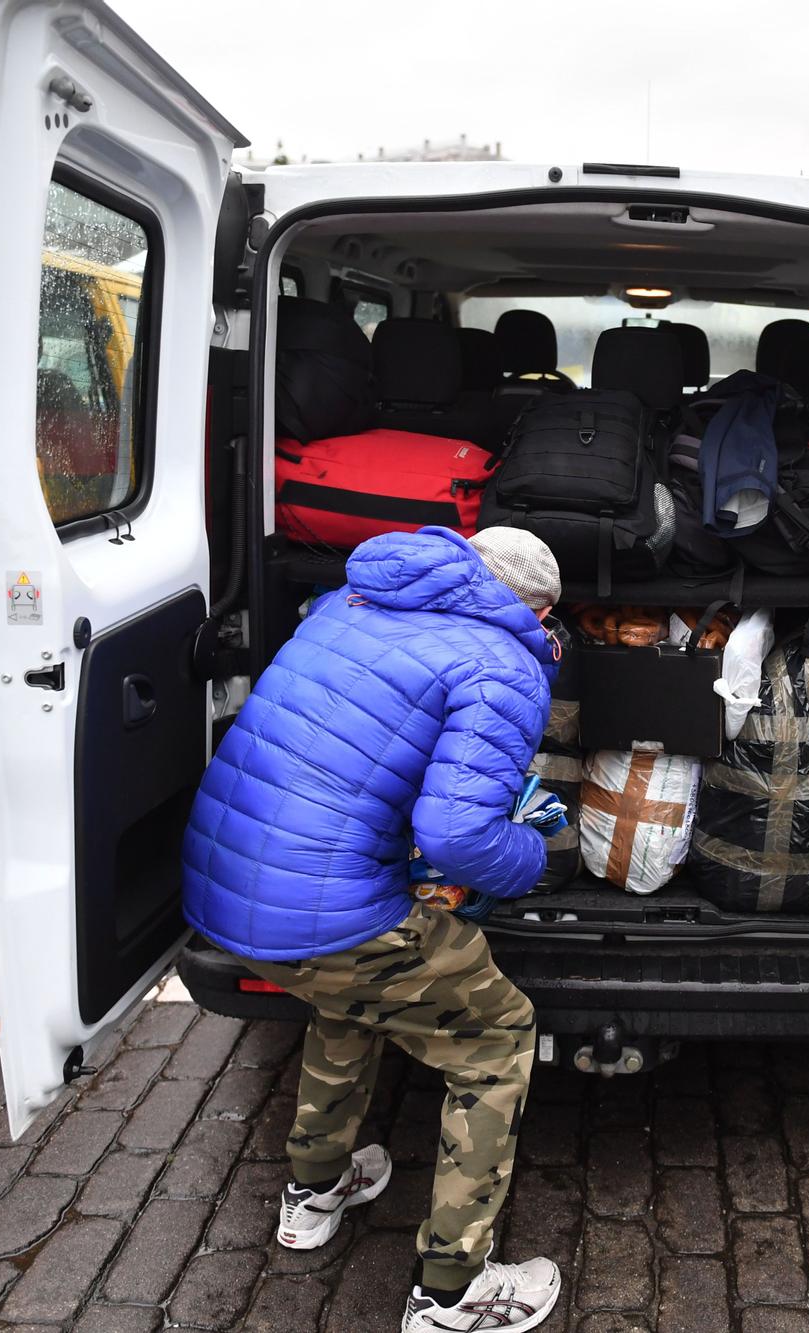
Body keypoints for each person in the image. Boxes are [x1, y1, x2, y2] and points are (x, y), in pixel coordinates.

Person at [181, 524, 570, 1332]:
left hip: (225, 887)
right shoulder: (503, 664)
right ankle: (453, 1292)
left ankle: (316, 1189)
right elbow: (459, 835)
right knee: (497, 1037)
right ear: (535, 608)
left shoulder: (342, 605)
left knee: (348, 999)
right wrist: (531, 857)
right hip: (328, 911)